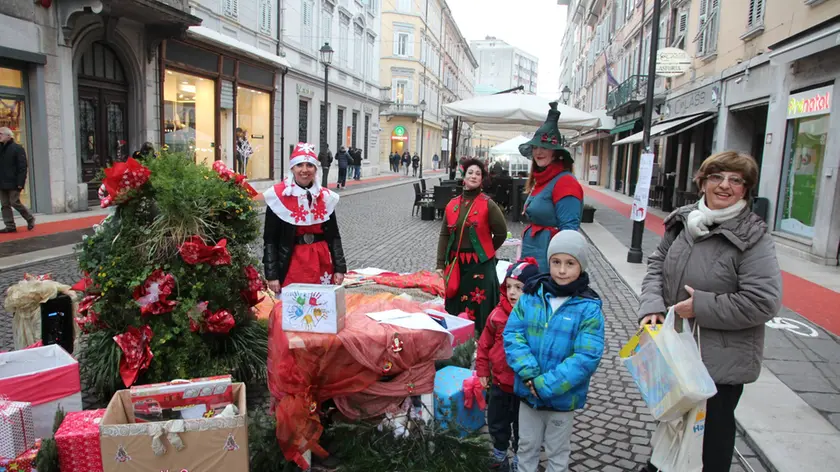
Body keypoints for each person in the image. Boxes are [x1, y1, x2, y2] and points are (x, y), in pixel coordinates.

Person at [637, 152, 782, 472]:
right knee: (672, 419)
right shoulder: (683, 221)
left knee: (711, 439)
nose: (725, 185)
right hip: (676, 347)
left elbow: (764, 302)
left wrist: (700, 307)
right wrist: (652, 306)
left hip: (721, 360)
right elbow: (657, 265)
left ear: (746, 189)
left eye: (736, 180)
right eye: (717, 177)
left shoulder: (753, 235)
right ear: (701, 182)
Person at [504, 230, 605, 472]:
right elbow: (513, 334)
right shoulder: (532, 296)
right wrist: (529, 374)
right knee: (526, 445)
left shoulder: (588, 308)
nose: (561, 270)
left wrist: (545, 384)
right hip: (528, 394)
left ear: (581, 266)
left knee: (557, 451)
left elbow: (586, 357)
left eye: (570, 263)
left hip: (561, 399)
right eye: (556, 262)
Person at [476, 257, 540, 472]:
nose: (512, 293)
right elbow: (484, 345)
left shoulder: (535, 318)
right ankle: (499, 453)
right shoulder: (497, 315)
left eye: (519, 288)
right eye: (509, 287)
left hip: (524, 387)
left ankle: (520, 460)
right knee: (497, 422)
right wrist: (483, 370)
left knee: (524, 428)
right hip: (500, 384)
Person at [436, 158, 507, 334]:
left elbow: (501, 233)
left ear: (482, 179)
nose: (474, 176)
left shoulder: (488, 204)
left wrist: (486, 251)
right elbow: (444, 235)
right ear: (464, 176)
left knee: (479, 306)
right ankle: (457, 341)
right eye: (470, 173)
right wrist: (440, 264)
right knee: (456, 303)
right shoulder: (451, 205)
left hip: (480, 266)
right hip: (457, 264)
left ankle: (479, 343)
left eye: (478, 173)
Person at [263, 142, 346, 292]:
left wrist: (339, 268)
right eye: (299, 165)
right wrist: (272, 275)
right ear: (292, 168)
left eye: (309, 165)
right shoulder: (277, 198)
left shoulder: (325, 197)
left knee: (320, 308)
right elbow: (270, 240)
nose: (304, 170)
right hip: (292, 262)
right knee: (296, 308)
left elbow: (334, 236)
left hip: (321, 262)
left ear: (315, 169)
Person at [518, 102, 583, 272]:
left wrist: (561, 272)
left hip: (549, 261)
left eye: (545, 147)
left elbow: (569, 232)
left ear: (556, 152)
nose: (539, 151)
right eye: (536, 147)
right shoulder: (541, 180)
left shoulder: (565, 182)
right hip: (533, 256)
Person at [0, 127, 34, 233]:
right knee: (5, 205)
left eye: (0, 133)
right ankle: (10, 226)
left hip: (14, 182)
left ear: (8, 136)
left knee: (14, 202)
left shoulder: (17, 148)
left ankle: (29, 218)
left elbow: (23, 167)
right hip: (2, 182)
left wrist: (20, 183)